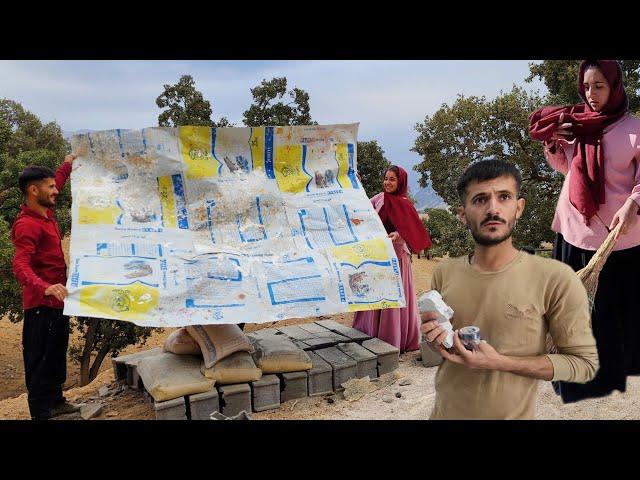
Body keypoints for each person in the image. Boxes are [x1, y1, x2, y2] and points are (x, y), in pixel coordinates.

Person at [421, 159, 598, 419]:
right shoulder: (443, 273)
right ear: (462, 214)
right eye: (480, 200)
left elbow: (582, 364)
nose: (493, 209)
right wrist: (434, 338)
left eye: (504, 197)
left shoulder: (555, 278)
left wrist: (499, 362)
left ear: (519, 207)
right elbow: (441, 353)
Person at [529, 60, 640, 403]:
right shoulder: (578, 125)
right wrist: (554, 145)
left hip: (619, 236)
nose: (591, 95)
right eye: (587, 86)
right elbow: (567, 169)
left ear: (616, 86)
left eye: (599, 86)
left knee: (614, 312)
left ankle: (611, 375)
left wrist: (634, 202)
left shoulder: (635, 130)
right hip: (576, 229)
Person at [11, 154, 79, 420]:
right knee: (39, 362)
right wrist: (45, 287)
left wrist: (69, 163)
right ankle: (41, 413)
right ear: (33, 190)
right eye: (50, 187)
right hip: (40, 305)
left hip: (58, 302)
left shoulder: (45, 213)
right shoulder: (27, 225)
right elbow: (20, 265)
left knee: (55, 355)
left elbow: (59, 178)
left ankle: (57, 401)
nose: (56, 190)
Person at [352, 165, 431, 352]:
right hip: (378, 257)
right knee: (376, 294)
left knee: (392, 297)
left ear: (400, 182)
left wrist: (399, 234)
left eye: (392, 179)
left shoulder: (404, 204)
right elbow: (362, 209)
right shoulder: (379, 199)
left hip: (396, 258)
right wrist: (356, 185)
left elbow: (412, 231)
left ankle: (392, 340)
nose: (387, 182)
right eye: (386, 178)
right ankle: (371, 335)